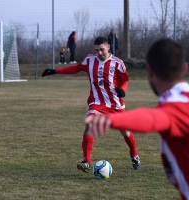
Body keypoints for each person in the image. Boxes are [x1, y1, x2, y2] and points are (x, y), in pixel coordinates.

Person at [84, 38, 189, 199]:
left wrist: (113, 120)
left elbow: (153, 119)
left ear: (150, 72)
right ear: (185, 68)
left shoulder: (177, 104)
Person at [42, 36, 141, 173]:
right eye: (96, 50)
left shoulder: (117, 63)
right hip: (97, 102)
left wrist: (122, 90)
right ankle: (86, 161)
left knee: (125, 132)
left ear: (108, 47)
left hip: (115, 104)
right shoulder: (90, 60)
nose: (99, 53)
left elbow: (124, 81)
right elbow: (76, 68)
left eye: (101, 50)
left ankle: (134, 155)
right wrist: (55, 71)